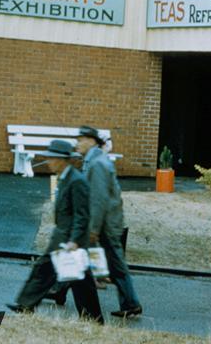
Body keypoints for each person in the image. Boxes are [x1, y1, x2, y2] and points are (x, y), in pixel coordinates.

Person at [7, 139, 103, 323]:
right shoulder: (66, 177)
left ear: (62, 160)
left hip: (70, 238)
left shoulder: (77, 181)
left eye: (52, 158)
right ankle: (26, 305)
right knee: (49, 270)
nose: (49, 161)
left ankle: (93, 319)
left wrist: (74, 240)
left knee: (78, 280)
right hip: (63, 235)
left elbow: (82, 215)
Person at [52, 125, 142, 318]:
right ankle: (130, 303)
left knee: (101, 262)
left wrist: (92, 228)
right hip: (104, 222)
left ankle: (58, 290)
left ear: (92, 141)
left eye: (81, 140)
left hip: (103, 224)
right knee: (101, 262)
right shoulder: (93, 160)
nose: (77, 144)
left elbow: (98, 199)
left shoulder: (97, 163)